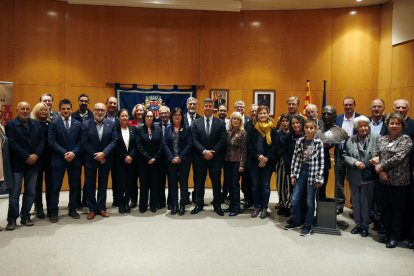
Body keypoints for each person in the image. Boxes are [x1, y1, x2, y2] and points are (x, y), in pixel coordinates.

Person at [371, 112, 413, 248]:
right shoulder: (382, 139)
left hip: (399, 181)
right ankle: (387, 233)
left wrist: (380, 166)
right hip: (383, 180)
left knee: (397, 211)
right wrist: (380, 170)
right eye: (391, 123)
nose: (394, 125)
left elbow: (399, 158)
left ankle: (395, 237)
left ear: (402, 125)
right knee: (385, 209)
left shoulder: (406, 139)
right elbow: (375, 154)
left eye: (397, 123)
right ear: (387, 125)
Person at [5, 102, 44, 230]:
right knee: (15, 194)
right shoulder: (11, 124)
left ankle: (25, 216)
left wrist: (36, 155)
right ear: (17, 110)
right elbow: (12, 143)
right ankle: (12, 219)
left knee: (31, 192)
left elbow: (42, 141)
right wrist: (26, 157)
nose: (25, 111)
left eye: (28, 109)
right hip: (18, 164)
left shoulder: (36, 124)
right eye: (22, 109)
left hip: (34, 164)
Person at [285, 118, 324, 236]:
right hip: (301, 172)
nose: (308, 130)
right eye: (306, 127)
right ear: (304, 128)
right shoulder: (300, 141)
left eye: (311, 128)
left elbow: (321, 162)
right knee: (295, 199)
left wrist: (319, 178)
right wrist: (293, 175)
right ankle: (297, 220)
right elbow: (295, 159)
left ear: (316, 129)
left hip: (312, 174)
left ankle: (308, 224)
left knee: (310, 201)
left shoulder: (319, 143)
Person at [343, 116, 378, 237]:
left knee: (366, 202)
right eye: (360, 126)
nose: (363, 128)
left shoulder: (376, 139)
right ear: (356, 128)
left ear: (368, 127)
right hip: (354, 175)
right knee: (356, 202)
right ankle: (358, 224)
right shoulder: (350, 140)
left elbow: (382, 153)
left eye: (365, 126)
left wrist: (378, 158)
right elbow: (345, 154)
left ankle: (365, 226)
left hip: (369, 176)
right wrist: (354, 162)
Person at [48, 99, 82, 222]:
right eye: (63, 109)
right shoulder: (54, 123)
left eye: (68, 108)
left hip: (74, 159)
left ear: (71, 109)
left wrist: (73, 152)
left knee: (74, 186)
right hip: (58, 160)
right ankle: (53, 212)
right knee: (56, 186)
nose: (66, 111)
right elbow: (51, 142)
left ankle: (72, 209)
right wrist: (64, 153)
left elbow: (80, 141)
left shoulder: (78, 124)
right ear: (59, 110)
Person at [191, 98, 227, 216]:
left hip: (215, 158)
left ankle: (217, 205)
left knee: (216, 183)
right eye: (205, 106)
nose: (207, 108)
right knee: (199, 183)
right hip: (200, 158)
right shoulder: (196, 122)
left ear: (213, 108)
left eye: (210, 106)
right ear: (203, 107)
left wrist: (213, 152)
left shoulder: (220, 123)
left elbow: (222, 141)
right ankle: (199, 204)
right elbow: (194, 140)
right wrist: (204, 151)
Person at [81, 103, 117, 220]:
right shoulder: (86, 124)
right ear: (93, 111)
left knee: (103, 184)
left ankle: (101, 208)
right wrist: (97, 155)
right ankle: (92, 209)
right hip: (90, 159)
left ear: (105, 112)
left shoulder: (111, 124)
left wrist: (104, 154)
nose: (100, 112)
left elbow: (114, 141)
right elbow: (84, 142)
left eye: (102, 110)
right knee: (90, 185)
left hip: (105, 159)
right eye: (97, 110)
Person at [247, 105, 280, 219]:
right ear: (257, 115)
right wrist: (258, 157)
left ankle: (264, 208)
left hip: (268, 162)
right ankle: (256, 206)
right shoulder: (252, 128)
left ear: (268, 114)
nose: (262, 115)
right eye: (260, 113)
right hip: (254, 162)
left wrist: (266, 158)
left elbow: (275, 146)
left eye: (264, 113)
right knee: (255, 185)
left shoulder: (273, 129)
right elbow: (249, 145)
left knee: (265, 185)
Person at [163, 107, 193, 215]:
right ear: (172, 116)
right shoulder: (168, 129)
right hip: (171, 161)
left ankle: (182, 205)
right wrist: (171, 157)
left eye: (179, 115)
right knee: (173, 183)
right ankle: (174, 205)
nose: (177, 116)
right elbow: (165, 144)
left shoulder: (187, 128)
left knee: (183, 183)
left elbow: (190, 144)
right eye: (175, 115)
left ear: (182, 117)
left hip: (184, 160)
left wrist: (180, 157)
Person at [315, 106, 349, 199]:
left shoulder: (341, 132)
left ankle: (322, 210)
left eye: (329, 114)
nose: (326, 116)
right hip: (315, 162)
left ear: (334, 116)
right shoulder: (316, 131)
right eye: (324, 114)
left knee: (322, 188)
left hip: (325, 162)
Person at [335, 97, 361, 214]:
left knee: (354, 181)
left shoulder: (360, 119)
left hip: (355, 156)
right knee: (339, 181)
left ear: (354, 105)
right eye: (346, 105)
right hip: (339, 154)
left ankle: (354, 205)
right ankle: (339, 205)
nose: (348, 107)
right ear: (343, 106)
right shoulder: (338, 119)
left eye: (350, 105)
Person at [136, 110, 163, 213]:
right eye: (147, 116)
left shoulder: (158, 129)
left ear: (154, 118)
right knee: (144, 184)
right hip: (143, 162)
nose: (149, 118)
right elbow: (138, 145)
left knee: (154, 184)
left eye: (151, 116)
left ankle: (153, 205)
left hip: (156, 162)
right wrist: (148, 158)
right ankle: (143, 205)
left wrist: (154, 158)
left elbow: (161, 145)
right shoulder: (139, 129)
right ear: (144, 117)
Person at [30, 102, 52, 219]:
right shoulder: (32, 123)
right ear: (36, 111)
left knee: (50, 184)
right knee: (37, 185)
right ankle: (39, 207)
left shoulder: (50, 123)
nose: (43, 112)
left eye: (45, 110)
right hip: (37, 158)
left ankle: (50, 207)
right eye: (41, 110)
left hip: (49, 158)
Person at [223, 112, 246, 216]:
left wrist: (242, 164)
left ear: (240, 121)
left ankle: (236, 207)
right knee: (228, 184)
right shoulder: (227, 131)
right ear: (231, 120)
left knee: (235, 184)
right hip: (227, 161)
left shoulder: (243, 132)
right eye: (234, 119)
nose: (235, 121)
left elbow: (244, 150)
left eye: (238, 119)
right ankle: (231, 205)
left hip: (237, 161)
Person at [72, 93, 93, 208]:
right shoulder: (73, 115)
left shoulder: (92, 116)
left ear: (88, 103)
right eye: (82, 101)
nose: (84, 103)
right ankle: (76, 202)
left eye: (86, 101)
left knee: (89, 179)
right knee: (76, 178)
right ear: (78, 102)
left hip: (89, 152)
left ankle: (86, 200)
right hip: (77, 152)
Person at [114, 109, 137, 214]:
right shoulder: (115, 129)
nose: (124, 117)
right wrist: (124, 156)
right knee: (120, 183)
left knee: (129, 183)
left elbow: (136, 145)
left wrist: (131, 156)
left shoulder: (133, 129)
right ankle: (121, 204)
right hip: (119, 161)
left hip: (131, 161)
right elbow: (115, 146)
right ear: (118, 117)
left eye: (126, 116)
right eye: (122, 116)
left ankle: (127, 202)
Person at [183, 97, 201, 204]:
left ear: (197, 105)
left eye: (194, 104)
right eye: (190, 104)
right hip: (185, 153)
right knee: (184, 177)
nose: (192, 106)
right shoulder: (181, 118)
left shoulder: (201, 118)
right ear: (186, 105)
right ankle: (185, 197)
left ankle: (196, 197)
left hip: (198, 153)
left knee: (198, 177)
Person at [276, 113, 293, 216]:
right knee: (280, 184)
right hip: (280, 162)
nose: (285, 123)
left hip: (290, 162)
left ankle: (289, 205)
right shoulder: (277, 133)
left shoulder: (292, 134)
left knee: (289, 184)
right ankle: (282, 203)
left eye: (287, 121)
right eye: (283, 121)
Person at [128, 103, 145, 208]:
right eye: (137, 110)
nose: (139, 112)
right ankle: (133, 200)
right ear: (135, 112)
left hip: (144, 158)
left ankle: (143, 201)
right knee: (133, 180)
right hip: (133, 157)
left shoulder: (148, 122)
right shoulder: (130, 123)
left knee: (144, 180)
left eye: (141, 110)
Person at [242, 103, 258, 209]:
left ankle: (257, 201)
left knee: (256, 182)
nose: (254, 113)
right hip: (248, 158)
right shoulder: (246, 125)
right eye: (252, 111)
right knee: (246, 182)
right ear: (249, 113)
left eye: (256, 111)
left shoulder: (264, 124)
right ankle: (248, 200)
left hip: (259, 158)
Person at [157, 105, 171, 209]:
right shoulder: (155, 125)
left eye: (165, 112)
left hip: (171, 158)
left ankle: (171, 202)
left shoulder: (175, 125)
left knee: (172, 181)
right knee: (160, 181)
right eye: (161, 113)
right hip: (159, 159)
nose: (163, 115)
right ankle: (161, 201)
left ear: (169, 114)